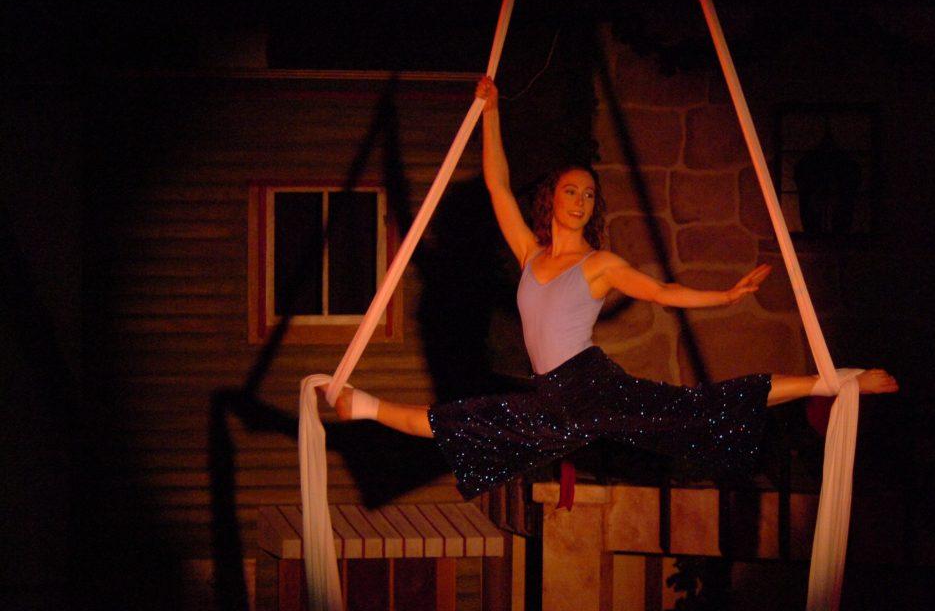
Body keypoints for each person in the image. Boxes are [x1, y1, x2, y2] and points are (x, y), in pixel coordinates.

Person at [325, 76, 898, 497]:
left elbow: (659, 294)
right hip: (550, 396)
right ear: (552, 201)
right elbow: (498, 186)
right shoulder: (530, 254)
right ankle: (363, 406)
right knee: (464, 423)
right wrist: (489, 111)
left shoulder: (599, 264)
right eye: (572, 192)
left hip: (591, 386)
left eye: (590, 195)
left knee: (696, 409)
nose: (581, 201)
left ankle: (838, 379)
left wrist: (724, 296)